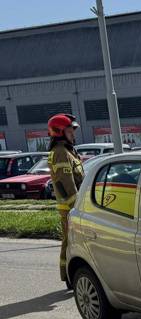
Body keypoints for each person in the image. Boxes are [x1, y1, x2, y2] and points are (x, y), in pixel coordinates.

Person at [46, 113, 84, 287]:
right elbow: (66, 183)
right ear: (60, 132)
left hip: (72, 205)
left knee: (72, 241)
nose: (73, 135)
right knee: (69, 242)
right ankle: (68, 277)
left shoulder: (67, 150)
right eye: (70, 132)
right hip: (70, 206)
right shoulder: (61, 152)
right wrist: (77, 207)